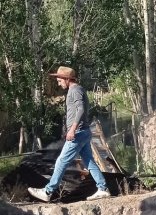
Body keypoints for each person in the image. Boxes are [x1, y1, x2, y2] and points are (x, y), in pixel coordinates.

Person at [28, 66, 110, 202]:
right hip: (83, 132)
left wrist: (72, 129)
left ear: (67, 79)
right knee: (89, 162)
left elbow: (81, 109)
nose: (58, 83)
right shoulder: (76, 90)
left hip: (78, 133)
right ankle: (103, 188)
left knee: (61, 161)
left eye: (60, 80)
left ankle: (48, 191)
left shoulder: (75, 90)